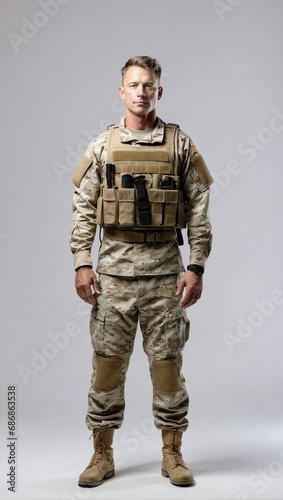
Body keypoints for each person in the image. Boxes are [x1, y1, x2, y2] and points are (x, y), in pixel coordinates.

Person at [70, 55, 213, 488]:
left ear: (158, 92)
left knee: (167, 367)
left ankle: (172, 454)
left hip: (165, 275)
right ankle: (102, 454)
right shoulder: (101, 146)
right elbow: (83, 210)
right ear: (122, 91)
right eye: (134, 85)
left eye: (148, 85)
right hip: (113, 275)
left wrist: (196, 265)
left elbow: (200, 212)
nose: (141, 92)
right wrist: (81, 261)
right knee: (107, 369)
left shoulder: (181, 146)